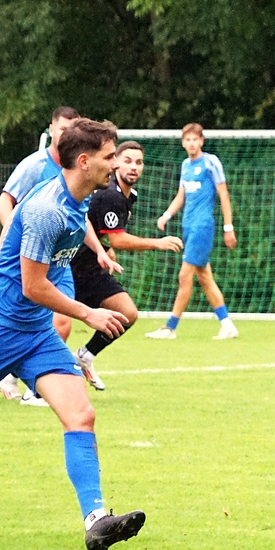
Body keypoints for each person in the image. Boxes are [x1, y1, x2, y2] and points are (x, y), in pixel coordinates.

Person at [0, 118, 146, 550]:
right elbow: (32, 286)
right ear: (83, 161)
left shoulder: (78, 200)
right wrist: (89, 312)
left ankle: (96, 521)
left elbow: (22, 245)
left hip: (36, 334)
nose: (116, 163)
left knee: (81, 415)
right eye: (109, 156)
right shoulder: (49, 208)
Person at [0, 107, 116, 406]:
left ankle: (27, 382)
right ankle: (21, 378)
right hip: (32, 264)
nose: (66, 135)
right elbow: (8, 204)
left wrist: (99, 250)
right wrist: (7, 255)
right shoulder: (36, 166)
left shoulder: (82, 181)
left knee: (62, 325)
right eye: (62, 129)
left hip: (60, 265)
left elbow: (80, 219)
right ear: (51, 130)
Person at [71, 141, 184, 389]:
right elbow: (118, 239)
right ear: (116, 164)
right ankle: (16, 378)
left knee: (127, 314)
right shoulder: (110, 195)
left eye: (139, 162)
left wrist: (107, 251)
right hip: (69, 267)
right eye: (128, 161)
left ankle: (85, 356)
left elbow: (103, 230)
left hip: (92, 268)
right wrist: (157, 243)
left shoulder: (129, 196)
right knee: (54, 326)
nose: (134, 167)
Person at [145, 123, 238, 340]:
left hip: (202, 227)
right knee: (205, 277)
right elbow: (181, 195)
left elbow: (223, 194)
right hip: (188, 226)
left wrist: (228, 227)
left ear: (202, 141)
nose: (192, 143)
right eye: (188, 140)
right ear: (183, 143)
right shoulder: (185, 165)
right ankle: (227, 325)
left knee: (184, 275)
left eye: (195, 139)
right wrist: (167, 215)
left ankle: (170, 328)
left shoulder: (211, 162)